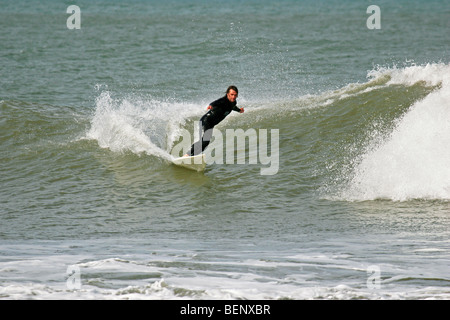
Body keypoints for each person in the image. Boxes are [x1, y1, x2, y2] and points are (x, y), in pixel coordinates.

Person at [185, 86, 244, 156]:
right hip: (206, 120)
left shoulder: (233, 102)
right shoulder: (223, 101)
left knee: (205, 143)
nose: (233, 97)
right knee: (205, 141)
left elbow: (233, 107)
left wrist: (239, 110)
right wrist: (211, 106)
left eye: (235, 95)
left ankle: (191, 156)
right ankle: (187, 155)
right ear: (227, 94)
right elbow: (216, 102)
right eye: (232, 94)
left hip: (211, 124)